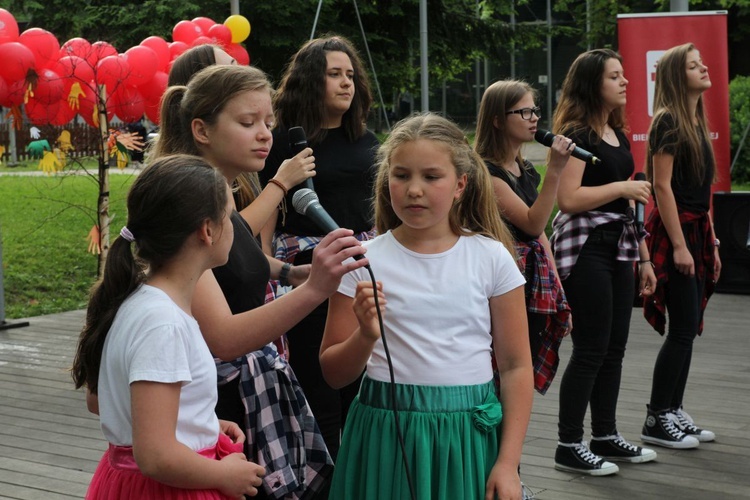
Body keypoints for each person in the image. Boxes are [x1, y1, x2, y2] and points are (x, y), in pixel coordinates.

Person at [152, 63, 369, 499]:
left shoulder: (221, 194)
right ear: (202, 130)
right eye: (248, 122)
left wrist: (290, 271)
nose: (266, 134)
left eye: (269, 122)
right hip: (218, 403)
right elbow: (225, 338)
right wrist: (315, 289)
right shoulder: (191, 208)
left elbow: (240, 261)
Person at [319, 113, 533, 500]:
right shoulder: (362, 262)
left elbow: (517, 367)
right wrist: (366, 334)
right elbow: (334, 373)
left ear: (460, 185)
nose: (414, 189)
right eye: (401, 175)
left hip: (466, 437)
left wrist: (507, 463)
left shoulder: (491, 257)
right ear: (387, 181)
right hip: (384, 433)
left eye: (431, 177)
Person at [71, 154, 266, 499]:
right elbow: (157, 457)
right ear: (207, 230)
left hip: (129, 481)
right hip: (166, 489)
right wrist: (223, 473)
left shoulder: (134, 300)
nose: (235, 226)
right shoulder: (164, 324)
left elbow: (101, 401)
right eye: (230, 216)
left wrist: (198, 423)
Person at [258, 35, 380, 461]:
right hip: (308, 276)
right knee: (320, 390)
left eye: (350, 75)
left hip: (364, 268)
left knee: (362, 388)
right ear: (312, 81)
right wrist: (269, 273)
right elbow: (266, 229)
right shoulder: (284, 146)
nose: (346, 83)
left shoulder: (370, 144)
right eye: (334, 74)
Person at [549, 49, 658, 475]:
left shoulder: (617, 133)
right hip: (587, 245)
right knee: (592, 348)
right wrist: (619, 188)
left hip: (621, 245)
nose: (625, 82)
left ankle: (605, 435)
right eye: (615, 76)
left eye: (623, 74)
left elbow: (629, 202)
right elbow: (568, 199)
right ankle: (568, 443)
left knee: (614, 348)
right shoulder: (577, 135)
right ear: (594, 83)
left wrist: (645, 258)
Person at [640, 43, 719, 448]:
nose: (704, 67)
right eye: (693, 65)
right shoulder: (668, 120)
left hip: (696, 232)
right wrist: (679, 246)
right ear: (676, 75)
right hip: (676, 233)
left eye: (701, 61)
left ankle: (673, 409)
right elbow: (662, 187)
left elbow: (705, 191)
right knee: (682, 328)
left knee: (688, 328)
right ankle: (656, 416)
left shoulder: (695, 119)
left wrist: (714, 241)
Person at [475, 79, 572, 395]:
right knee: (503, 371)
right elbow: (532, 223)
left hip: (531, 280)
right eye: (524, 111)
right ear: (498, 119)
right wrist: (556, 170)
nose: (534, 118)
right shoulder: (488, 174)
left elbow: (541, 236)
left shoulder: (526, 169)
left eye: (535, 110)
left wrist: (559, 292)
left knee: (523, 369)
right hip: (503, 281)